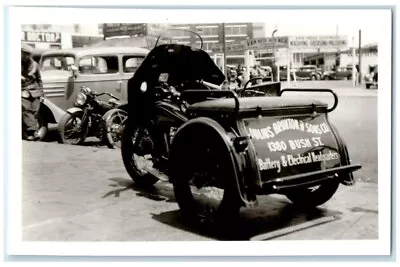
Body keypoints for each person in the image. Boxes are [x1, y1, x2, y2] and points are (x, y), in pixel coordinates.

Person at [21, 44, 43, 141]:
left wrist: (42, 93)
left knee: (34, 112)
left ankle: (28, 133)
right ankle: (34, 132)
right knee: (26, 110)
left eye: (27, 54)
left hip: (35, 92)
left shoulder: (35, 65)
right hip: (22, 90)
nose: (25, 56)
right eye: (24, 53)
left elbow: (39, 80)